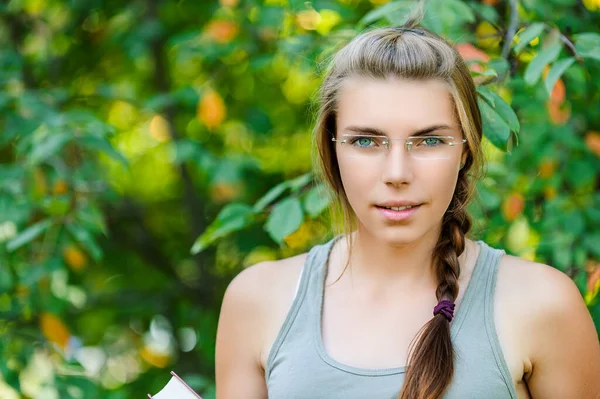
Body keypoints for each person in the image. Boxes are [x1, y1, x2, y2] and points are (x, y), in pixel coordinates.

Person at [214, 12, 600, 399]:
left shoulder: (543, 304)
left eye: (429, 141)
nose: (397, 173)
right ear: (332, 149)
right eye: (366, 141)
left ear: (465, 150)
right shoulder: (258, 301)